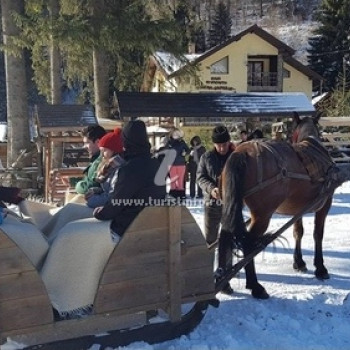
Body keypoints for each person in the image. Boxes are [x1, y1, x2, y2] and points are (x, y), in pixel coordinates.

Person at [40, 120, 166, 319]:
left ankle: (76, 301)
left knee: (72, 238)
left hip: (124, 229)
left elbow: (115, 205)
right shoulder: (155, 164)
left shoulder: (129, 168)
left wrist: (99, 213)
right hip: (143, 225)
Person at [196, 125, 235, 295]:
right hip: (212, 205)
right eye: (219, 145)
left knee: (227, 242)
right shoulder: (207, 157)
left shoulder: (235, 156)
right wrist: (211, 189)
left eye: (225, 144)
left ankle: (225, 277)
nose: (222, 148)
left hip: (231, 206)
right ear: (214, 144)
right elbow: (200, 177)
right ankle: (205, 275)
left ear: (229, 142)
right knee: (210, 241)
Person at [85, 128, 125, 208]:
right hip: (104, 207)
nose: (102, 155)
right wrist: (96, 191)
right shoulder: (108, 167)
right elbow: (107, 189)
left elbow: (112, 197)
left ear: (114, 150)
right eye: (101, 151)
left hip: (111, 211)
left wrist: (92, 200)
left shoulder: (118, 169)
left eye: (105, 150)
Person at [73, 125, 107, 197]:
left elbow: (91, 186)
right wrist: (72, 181)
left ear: (98, 142)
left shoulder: (101, 161)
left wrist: (77, 185)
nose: (84, 146)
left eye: (87, 142)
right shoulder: (97, 159)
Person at [166, 128, 190, 200]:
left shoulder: (182, 142)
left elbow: (188, 150)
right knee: (173, 180)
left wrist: (185, 153)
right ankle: (173, 194)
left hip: (181, 163)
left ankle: (181, 195)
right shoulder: (169, 142)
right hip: (172, 164)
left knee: (180, 180)